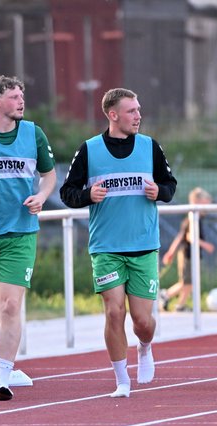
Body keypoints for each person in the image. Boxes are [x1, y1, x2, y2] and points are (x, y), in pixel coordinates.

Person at [60, 87, 177, 398]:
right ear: (113, 115)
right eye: (131, 111)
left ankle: (145, 346)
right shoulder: (89, 150)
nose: (138, 116)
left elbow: (170, 185)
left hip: (143, 247)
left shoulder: (150, 147)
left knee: (143, 321)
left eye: (138, 110)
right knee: (114, 313)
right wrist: (88, 195)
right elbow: (67, 193)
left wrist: (160, 192)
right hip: (106, 248)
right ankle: (121, 379)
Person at [0, 75, 57, 401]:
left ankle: (3, 376)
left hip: (20, 231)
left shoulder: (33, 133)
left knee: (11, 304)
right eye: (14, 97)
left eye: (22, 96)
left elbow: (49, 175)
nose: (21, 101)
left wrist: (41, 196)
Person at [160, 187, 214, 311]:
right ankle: (167, 296)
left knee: (190, 282)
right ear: (197, 201)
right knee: (187, 282)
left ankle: (178, 303)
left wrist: (171, 252)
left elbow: (181, 236)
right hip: (187, 254)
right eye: (206, 202)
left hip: (193, 254)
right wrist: (205, 245)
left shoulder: (197, 217)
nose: (208, 206)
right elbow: (188, 236)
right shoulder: (192, 217)